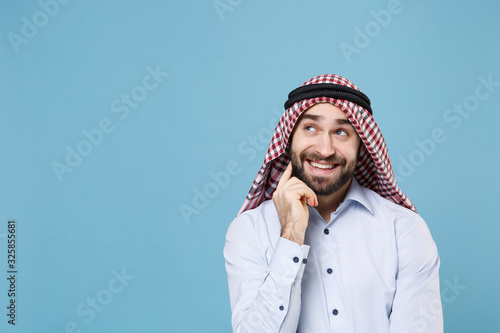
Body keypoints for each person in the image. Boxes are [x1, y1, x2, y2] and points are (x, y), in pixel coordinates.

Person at [224, 74, 443, 332]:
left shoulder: (405, 230)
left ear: (361, 146)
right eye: (310, 128)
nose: (325, 149)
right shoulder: (249, 230)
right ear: (288, 138)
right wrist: (291, 235)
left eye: (341, 132)